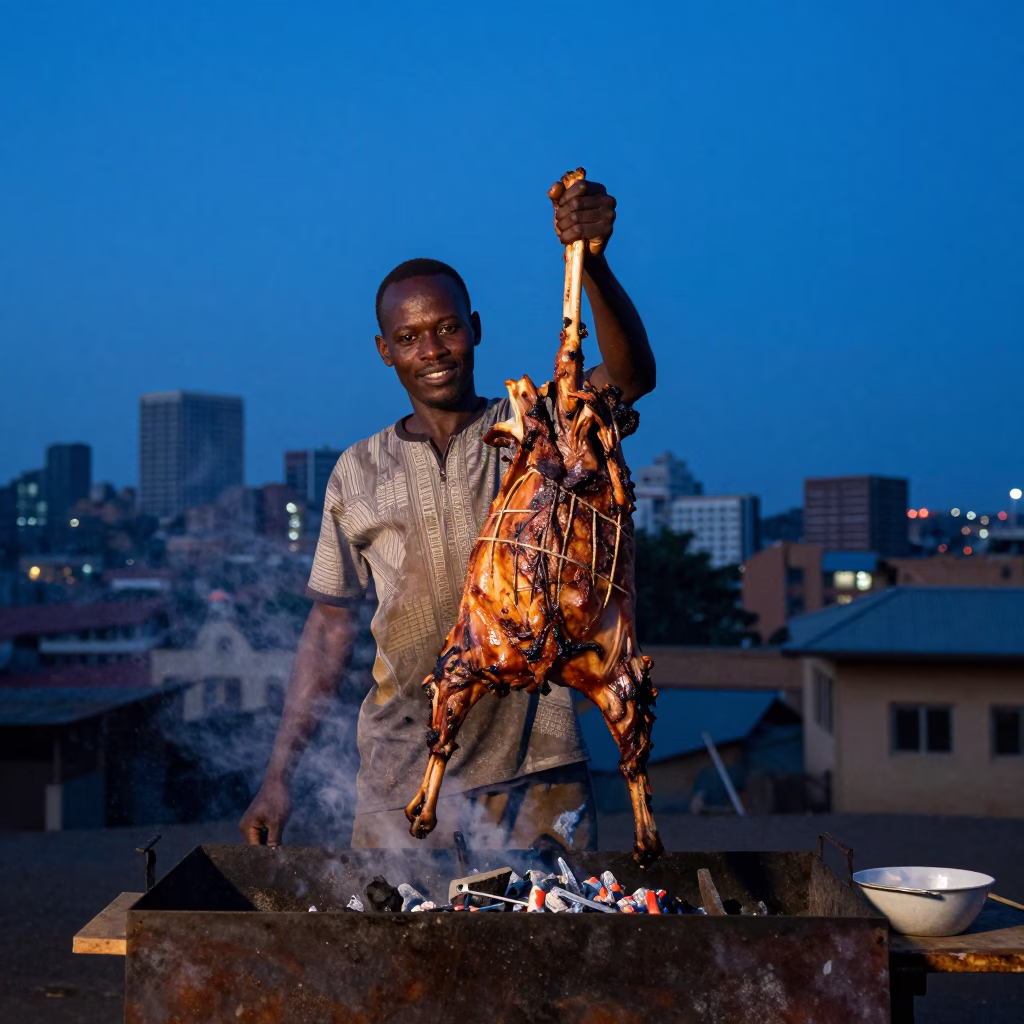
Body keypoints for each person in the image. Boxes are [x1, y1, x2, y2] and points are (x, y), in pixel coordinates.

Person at [240, 175, 656, 851]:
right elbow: (329, 628)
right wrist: (278, 775)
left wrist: (593, 262)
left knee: (547, 953)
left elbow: (633, 376)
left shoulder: (537, 426)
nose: (431, 349)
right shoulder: (356, 471)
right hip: (397, 782)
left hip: (534, 777)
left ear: (474, 331)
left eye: (445, 329)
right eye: (409, 337)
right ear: (385, 350)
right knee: (396, 952)